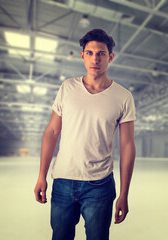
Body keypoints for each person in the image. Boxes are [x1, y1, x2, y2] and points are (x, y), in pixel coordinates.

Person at [34, 29, 136, 240]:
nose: (95, 59)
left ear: (111, 57)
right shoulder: (67, 88)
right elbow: (52, 131)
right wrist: (41, 176)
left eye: (101, 53)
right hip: (62, 181)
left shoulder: (123, 97)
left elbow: (127, 146)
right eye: (89, 53)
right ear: (82, 56)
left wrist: (124, 194)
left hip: (99, 185)